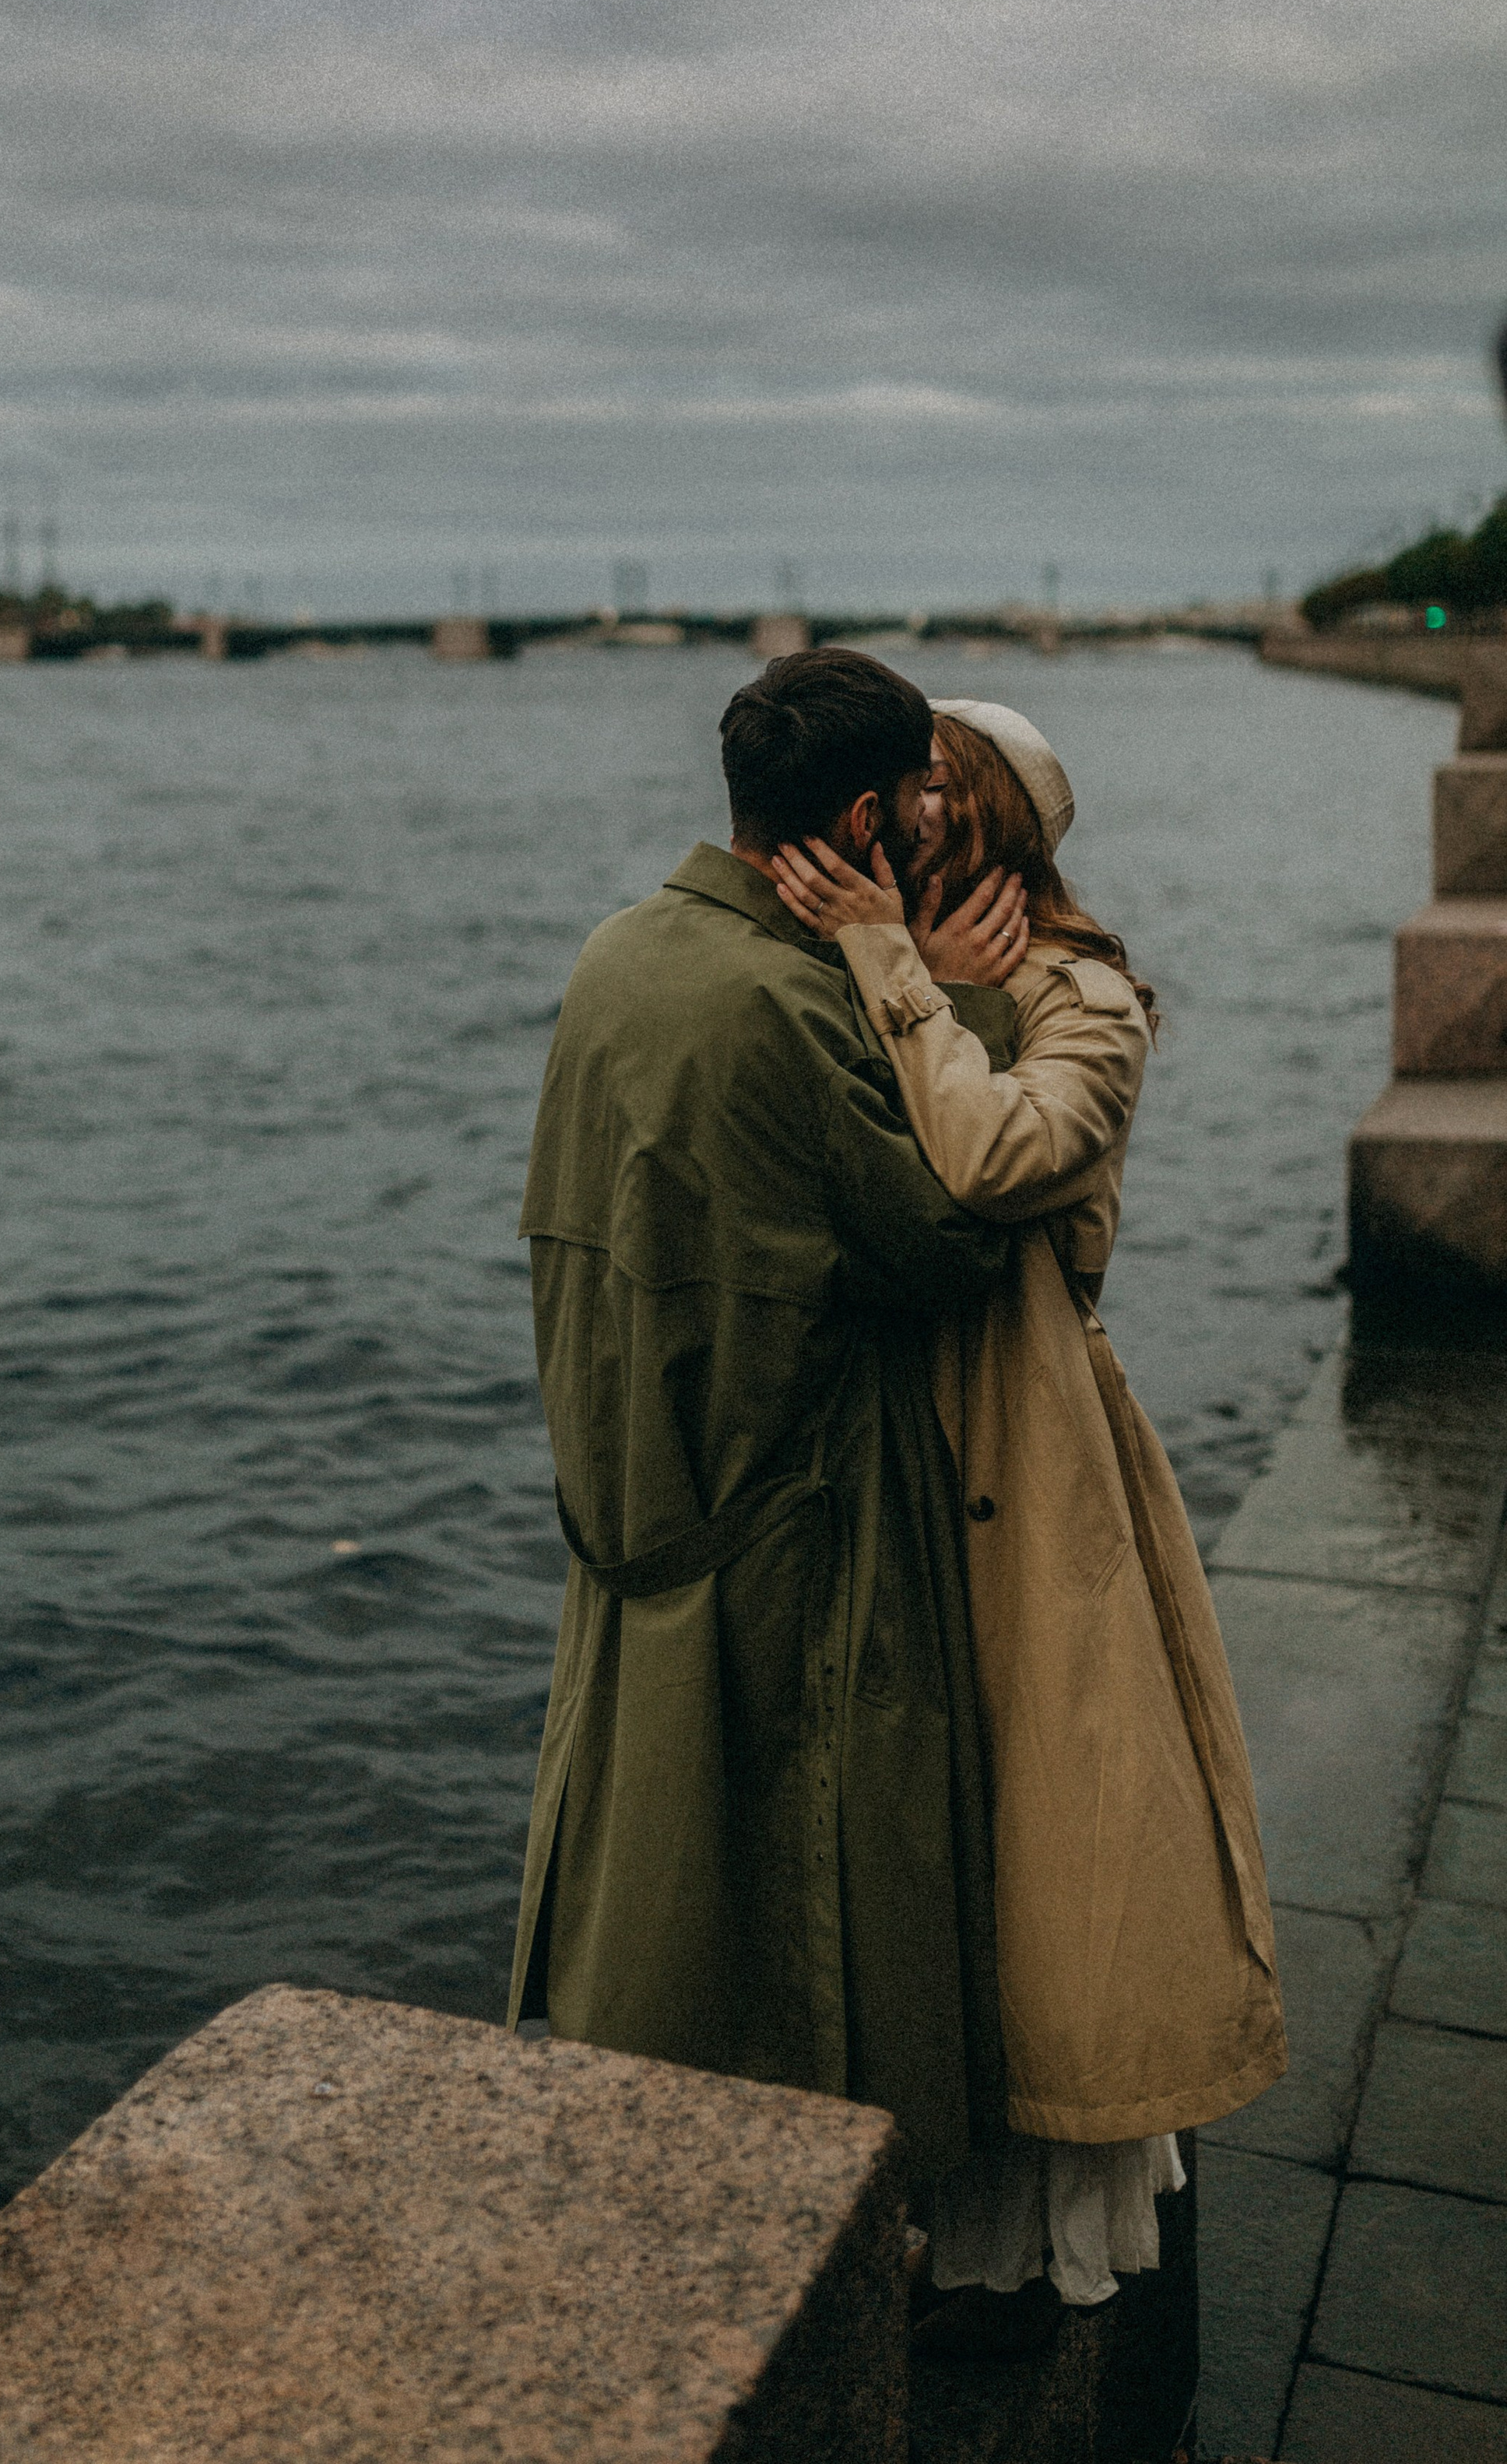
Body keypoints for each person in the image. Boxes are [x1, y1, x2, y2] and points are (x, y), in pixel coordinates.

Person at [771, 699, 1286, 2320]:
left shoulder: (1085, 996)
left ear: (983, 815)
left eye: (930, 782)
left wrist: (899, 973)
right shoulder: (936, 976)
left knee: (1040, 1833)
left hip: (1032, 1451)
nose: (896, 810)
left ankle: (1015, 2247)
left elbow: (995, 1157)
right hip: (898, 1439)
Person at [505, 649, 1042, 2189]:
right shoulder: (782, 1006)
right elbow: (944, 1238)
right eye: (925, 806)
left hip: (629, 1509)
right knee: (814, 1909)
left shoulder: (620, 951)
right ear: (866, 821)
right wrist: (976, 1017)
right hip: (797, 1518)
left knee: (664, 1904)